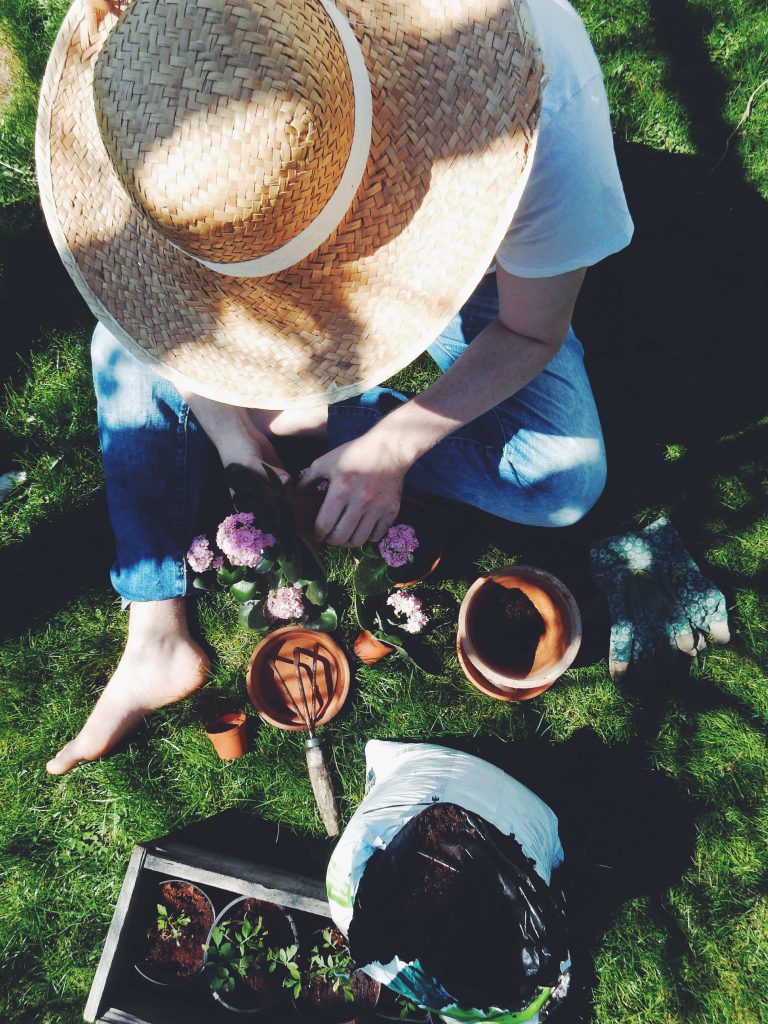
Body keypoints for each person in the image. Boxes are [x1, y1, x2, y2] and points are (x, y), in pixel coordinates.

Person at [39, 0, 632, 774]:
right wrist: (229, 433)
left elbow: (528, 332)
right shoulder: (170, 85)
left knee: (562, 480)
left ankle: (318, 428)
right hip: (255, 235)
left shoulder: (541, 127)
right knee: (121, 343)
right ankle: (157, 630)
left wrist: (393, 447)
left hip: (487, 271)